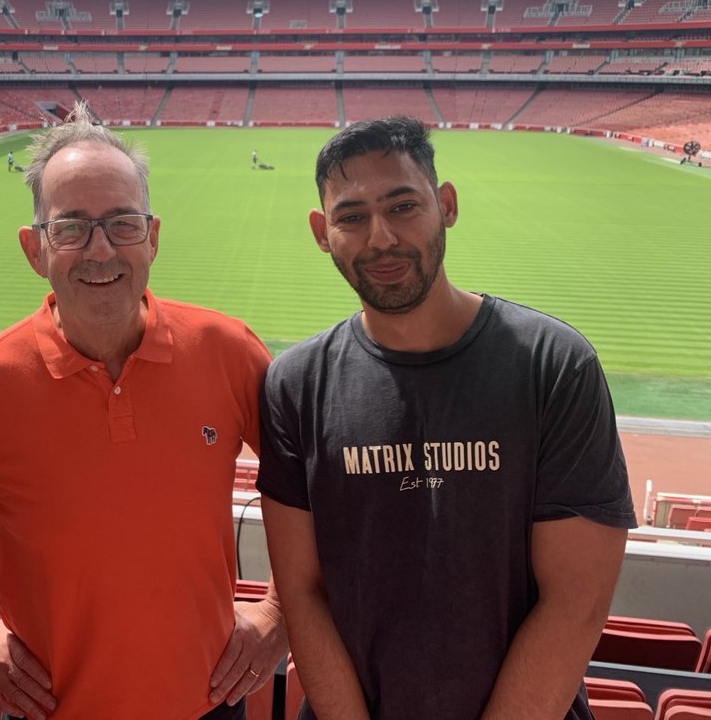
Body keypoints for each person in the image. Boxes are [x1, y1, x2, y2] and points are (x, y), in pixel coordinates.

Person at [0, 105, 287, 719]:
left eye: (121, 224)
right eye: (72, 227)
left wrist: (276, 613)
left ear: (153, 236)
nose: (101, 250)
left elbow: (320, 488)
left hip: (210, 704)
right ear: (35, 248)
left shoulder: (227, 351)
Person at [259, 116, 635, 720]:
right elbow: (302, 594)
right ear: (321, 232)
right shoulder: (294, 384)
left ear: (447, 205)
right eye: (351, 216)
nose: (380, 238)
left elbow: (576, 601)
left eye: (403, 205)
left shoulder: (554, 365)